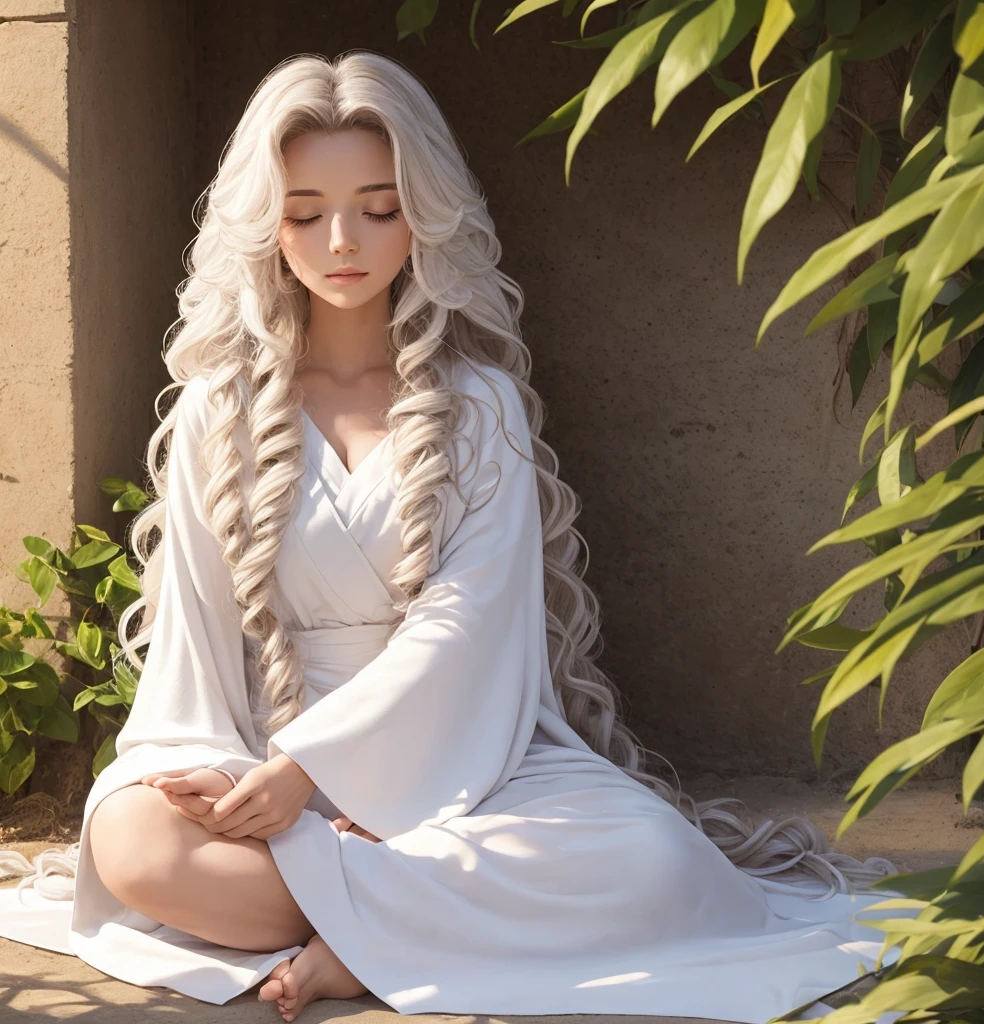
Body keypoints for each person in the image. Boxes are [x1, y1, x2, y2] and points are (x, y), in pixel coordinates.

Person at [0, 49, 916, 1024]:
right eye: (306, 212)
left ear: (424, 216)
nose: (341, 240)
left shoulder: (478, 405)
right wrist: (253, 775)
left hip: (462, 757)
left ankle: (350, 941)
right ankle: (409, 914)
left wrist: (332, 765)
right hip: (262, 753)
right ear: (265, 224)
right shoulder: (215, 413)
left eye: (378, 208)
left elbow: (469, 622)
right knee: (133, 845)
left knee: (649, 859)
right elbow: (195, 632)